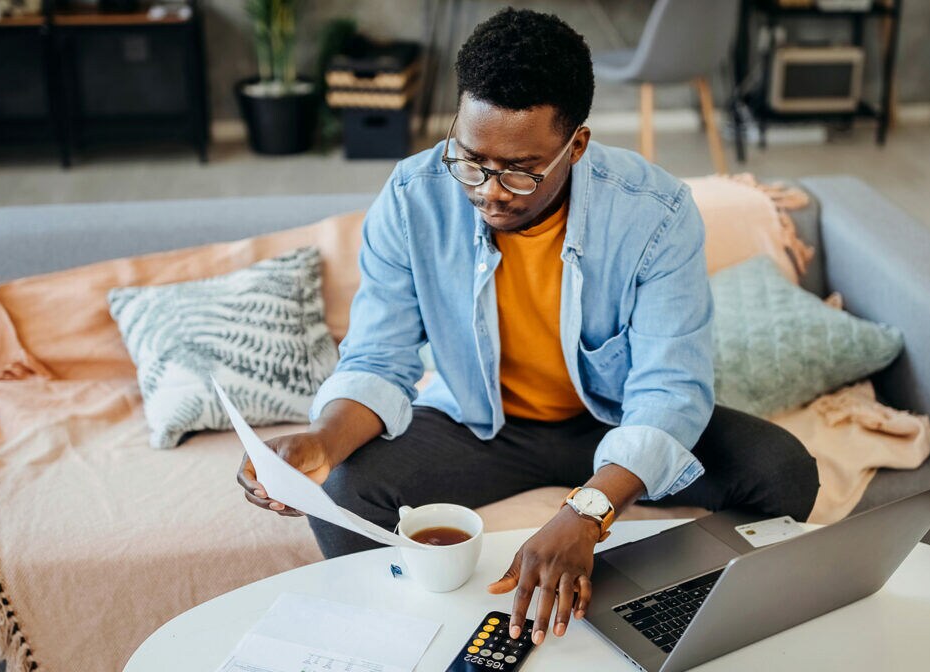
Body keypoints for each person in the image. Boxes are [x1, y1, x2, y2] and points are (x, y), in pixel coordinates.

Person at [238, 7, 818, 649]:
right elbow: (378, 358)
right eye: (470, 159)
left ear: (577, 145)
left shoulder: (656, 212)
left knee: (781, 470)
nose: (489, 192)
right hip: (479, 422)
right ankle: (411, 639)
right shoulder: (412, 197)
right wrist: (321, 441)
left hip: (612, 417)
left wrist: (589, 511)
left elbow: (670, 389)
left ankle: (652, 609)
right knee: (345, 486)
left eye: (520, 169)